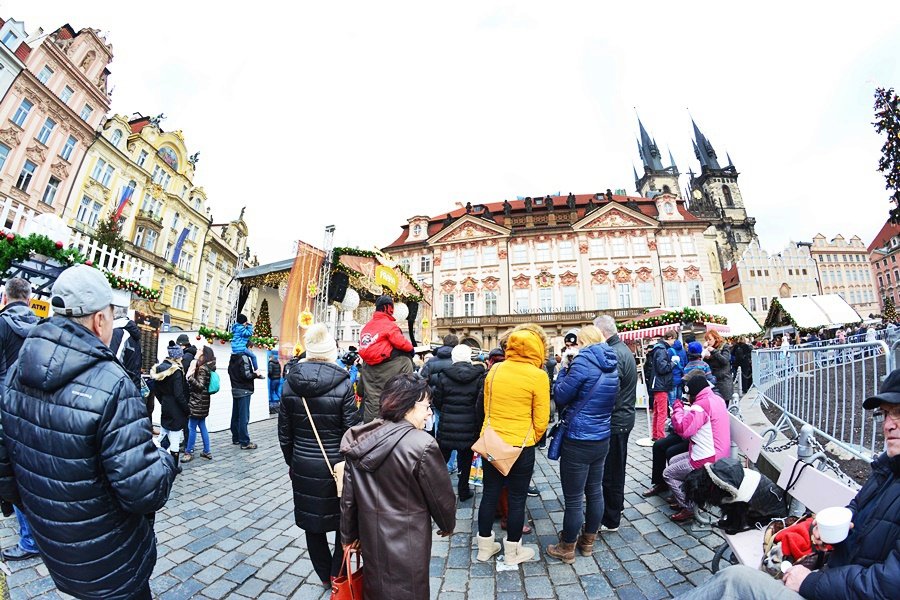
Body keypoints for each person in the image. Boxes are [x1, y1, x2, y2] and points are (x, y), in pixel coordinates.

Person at [0, 264, 176, 599]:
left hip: (56, 551)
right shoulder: (112, 384)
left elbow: (5, 469)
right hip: (112, 561)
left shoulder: (16, 370)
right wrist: (167, 461)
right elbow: (144, 491)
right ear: (100, 319)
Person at [675, 368, 900, 600]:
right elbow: (857, 508)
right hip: (834, 575)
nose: (888, 425)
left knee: (733, 582)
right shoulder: (887, 470)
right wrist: (823, 528)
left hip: (829, 585)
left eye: (899, 413)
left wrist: (810, 581)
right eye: (885, 414)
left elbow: (888, 587)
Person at [340, 373, 456, 600]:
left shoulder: (363, 438)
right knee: (410, 589)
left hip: (370, 535)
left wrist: (348, 535)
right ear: (407, 406)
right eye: (426, 406)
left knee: (375, 587)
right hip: (409, 539)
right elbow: (441, 497)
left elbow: (348, 497)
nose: (429, 412)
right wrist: (447, 524)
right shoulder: (422, 444)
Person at [279, 323, 360, 587]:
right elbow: (351, 431)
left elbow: (284, 432)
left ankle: (324, 575)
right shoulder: (344, 383)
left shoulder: (290, 382)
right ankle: (337, 575)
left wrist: (292, 461)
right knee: (341, 521)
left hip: (303, 463)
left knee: (311, 524)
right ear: (330, 351)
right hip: (336, 466)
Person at [475, 324, 550, 566]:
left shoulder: (495, 370)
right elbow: (541, 419)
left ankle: (485, 548)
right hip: (521, 446)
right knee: (517, 499)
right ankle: (512, 551)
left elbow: (486, 408)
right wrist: (531, 438)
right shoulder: (538, 375)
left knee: (489, 495)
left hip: (493, 443)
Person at [546, 325, 618, 563]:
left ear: (583, 341)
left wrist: (564, 370)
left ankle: (567, 547)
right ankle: (587, 542)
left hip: (578, 438)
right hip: (601, 436)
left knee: (575, 497)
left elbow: (561, 395)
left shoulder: (582, 362)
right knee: (595, 490)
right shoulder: (612, 364)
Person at [0, 278, 40, 562]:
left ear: (5, 298)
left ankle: (30, 541)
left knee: (12, 479)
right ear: (28, 299)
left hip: (7, 413)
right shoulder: (42, 328)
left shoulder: (1, 325)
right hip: (37, 414)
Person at [663, 376, 731, 522]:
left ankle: (688, 506)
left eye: (688, 395)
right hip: (719, 452)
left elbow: (683, 430)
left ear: (693, 394)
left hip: (708, 457)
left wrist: (677, 408)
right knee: (674, 459)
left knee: (668, 474)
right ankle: (685, 496)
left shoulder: (700, 406)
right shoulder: (716, 399)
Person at [594, 314, 637, 533]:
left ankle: (611, 518)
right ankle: (615, 507)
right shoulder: (622, 349)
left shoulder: (613, 352)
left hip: (617, 419)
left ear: (602, 332)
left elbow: (611, 390)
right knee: (615, 468)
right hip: (623, 418)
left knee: (611, 471)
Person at [433, 343, 485, 502]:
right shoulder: (479, 376)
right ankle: (463, 491)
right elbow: (480, 403)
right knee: (466, 461)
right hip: (470, 426)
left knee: (441, 462)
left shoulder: (443, 376)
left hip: (448, 424)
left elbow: (438, 401)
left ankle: (438, 492)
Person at [357, 295, 414, 422]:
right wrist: (410, 350)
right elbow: (409, 393)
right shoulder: (403, 363)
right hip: (391, 422)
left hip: (370, 421)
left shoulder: (367, 328)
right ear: (389, 308)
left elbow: (360, 391)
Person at [151, 341, 190, 472]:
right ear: (177, 356)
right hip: (176, 408)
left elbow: (156, 390)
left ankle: (158, 458)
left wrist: (163, 401)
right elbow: (179, 394)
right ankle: (173, 466)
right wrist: (186, 409)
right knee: (174, 438)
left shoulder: (160, 368)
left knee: (164, 432)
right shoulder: (176, 371)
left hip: (166, 405)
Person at [184, 345, 216, 462]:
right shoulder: (209, 367)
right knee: (202, 426)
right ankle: (206, 451)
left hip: (197, 402)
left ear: (204, 354)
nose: (198, 352)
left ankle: (189, 451)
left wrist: (190, 378)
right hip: (203, 402)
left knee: (191, 427)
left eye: (200, 350)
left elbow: (200, 385)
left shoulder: (203, 368)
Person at [645, 331, 675, 440]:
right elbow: (663, 368)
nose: (674, 342)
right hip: (661, 385)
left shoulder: (657, 349)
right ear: (670, 337)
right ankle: (660, 437)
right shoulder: (662, 350)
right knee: (662, 413)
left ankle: (655, 435)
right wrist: (673, 363)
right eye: (673, 340)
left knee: (657, 412)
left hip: (657, 385)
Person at [228, 345, 258, 449]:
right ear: (248, 347)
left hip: (235, 389)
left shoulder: (232, 357)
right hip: (244, 390)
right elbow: (246, 375)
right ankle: (245, 442)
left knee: (235, 415)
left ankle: (235, 438)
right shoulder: (244, 357)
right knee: (244, 417)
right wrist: (256, 374)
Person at [109, 299, 143, 391]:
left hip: (119, 389)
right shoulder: (131, 334)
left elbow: (112, 364)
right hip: (130, 388)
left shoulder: (119, 333)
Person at [704, 330, 733, 402]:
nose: (708, 341)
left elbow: (725, 361)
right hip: (713, 381)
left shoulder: (724, 347)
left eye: (710, 339)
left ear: (716, 338)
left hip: (724, 381)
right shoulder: (709, 349)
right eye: (706, 340)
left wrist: (714, 351)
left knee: (724, 406)